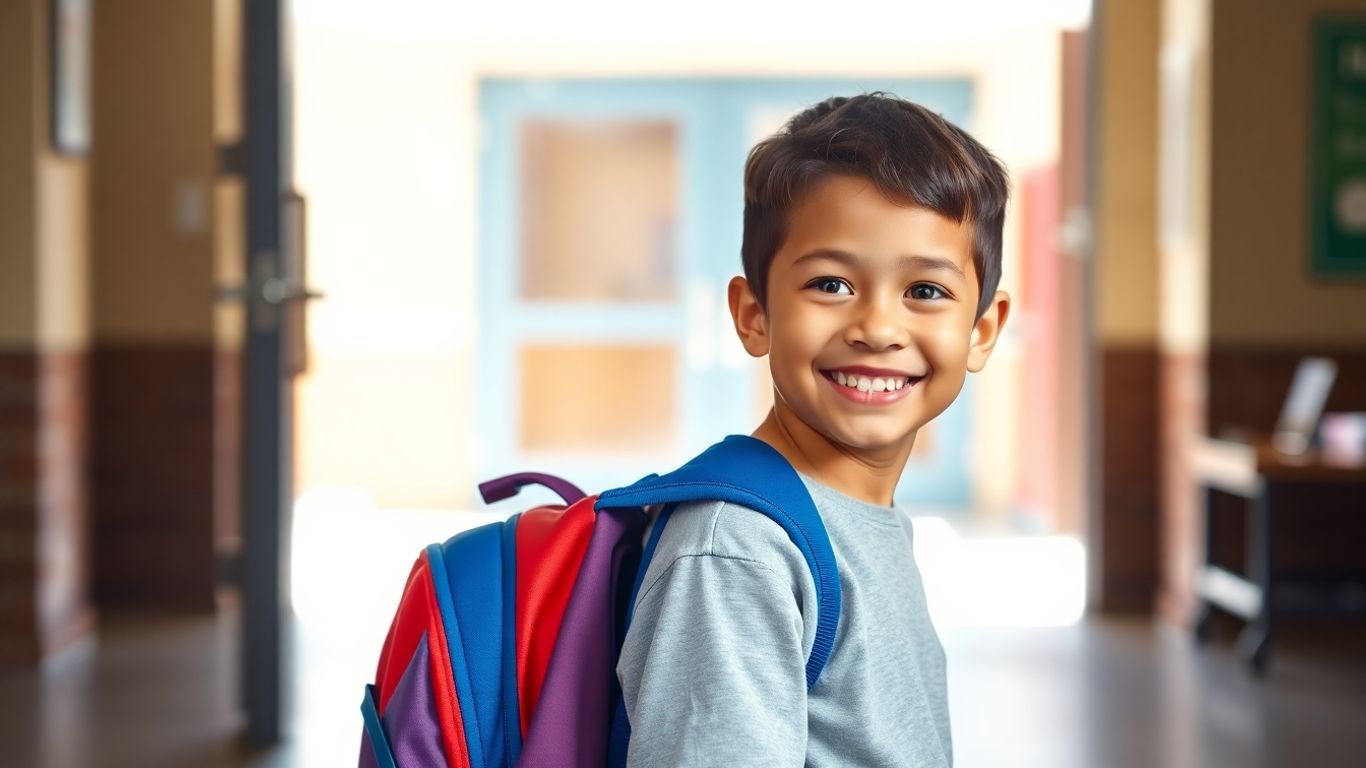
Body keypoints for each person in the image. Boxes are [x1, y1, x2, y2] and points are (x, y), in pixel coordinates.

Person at [615, 92, 1012, 767]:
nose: (878, 329)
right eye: (830, 284)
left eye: (925, 291)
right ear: (753, 314)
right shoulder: (737, 549)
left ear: (982, 330)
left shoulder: (859, 520)